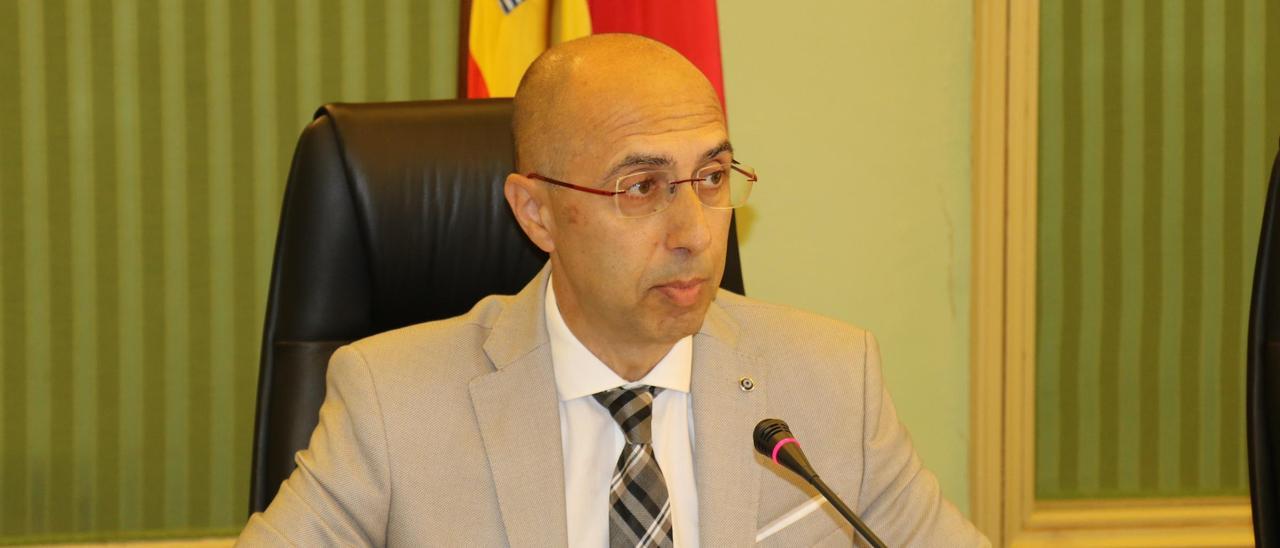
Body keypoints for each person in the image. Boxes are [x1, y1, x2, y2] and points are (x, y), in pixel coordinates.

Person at [237, 33, 988, 547]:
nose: (694, 230)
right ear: (537, 213)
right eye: (641, 186)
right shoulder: (392, 403)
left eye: (713, 178)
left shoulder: (833, 383)